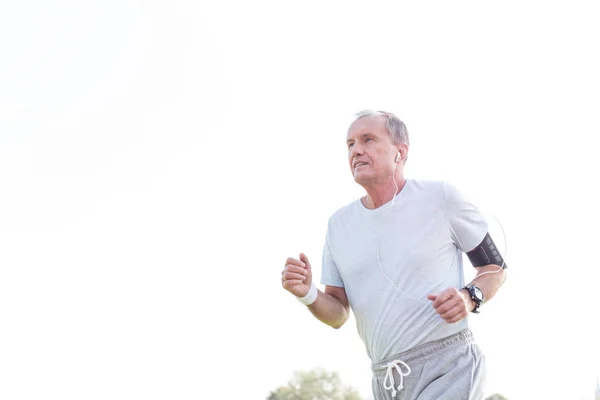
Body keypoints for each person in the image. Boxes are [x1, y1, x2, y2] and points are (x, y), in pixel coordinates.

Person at [281, 110, 507, 400]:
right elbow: (338, 314)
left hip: (449, 365)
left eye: (368, 139)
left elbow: (495, 267)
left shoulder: (441, 198)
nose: (356, 150)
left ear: (400, 152)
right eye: (350, 144)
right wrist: (307, 293)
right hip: (387, 379)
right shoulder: (339, 226)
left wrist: (469, 296)